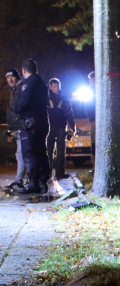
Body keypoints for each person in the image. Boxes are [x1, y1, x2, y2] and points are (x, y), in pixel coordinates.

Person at [13, 58, 50, 194]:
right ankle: (42, 182)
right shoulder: (42, 83)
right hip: (42, 121)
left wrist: (17, 109)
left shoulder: (28, 83)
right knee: (41, 151)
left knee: (29, 152)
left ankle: (33, 182)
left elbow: (23, 101)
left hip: (30, 124)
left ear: (23, 70)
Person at [46, 78, 75, 180]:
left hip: (61, 127)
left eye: (58, 86)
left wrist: (72, 126)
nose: (56, 88)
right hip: (49, 127)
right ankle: (47, 173)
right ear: (50, 87)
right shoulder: (46, 98)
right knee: (48, 151)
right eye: (54, 86)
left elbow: (69, 113)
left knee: (61, 151)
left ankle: (60, 173)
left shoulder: (64, 99)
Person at [5, 69, 27, 189]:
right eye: (8, 78)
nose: (10, 80)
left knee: (21, 154)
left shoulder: (20, 89)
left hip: (22, 127)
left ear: (17, 77)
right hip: (18, 128)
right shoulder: (14, 91)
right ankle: (21, 180)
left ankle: (20, 181)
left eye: (12, 77)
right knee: (21, 154)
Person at [87, 71, 96, 162]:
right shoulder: (90, 90)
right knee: (93, 140)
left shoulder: (99, 90)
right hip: (93, 118)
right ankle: (94, 162)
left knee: (95, 139)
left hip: (96, 118)